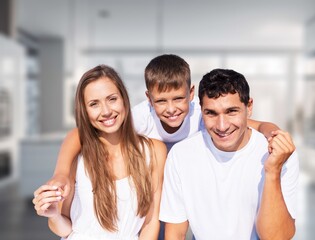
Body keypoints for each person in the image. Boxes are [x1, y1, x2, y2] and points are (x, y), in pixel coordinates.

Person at [39, 54, 280, 239]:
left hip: (170, 182)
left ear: (191, 95)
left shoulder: (200, 115)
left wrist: (272, 134)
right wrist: (60, 173)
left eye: (112, 99)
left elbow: (249, 123)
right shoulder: (142, 117)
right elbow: (82, 134)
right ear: (148, 100)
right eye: (94, 103)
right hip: (157, 180)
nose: (171, 108)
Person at [159, 68, 299, 240]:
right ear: (201, 111)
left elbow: (277, 237)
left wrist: (273, 171)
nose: (222, 126)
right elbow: (175, 233)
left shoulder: (279, 154)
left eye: (231, 111)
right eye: (211, 113)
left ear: (249, 107)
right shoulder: (181, 155)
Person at [32, 65, 167, 240]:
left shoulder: (154, 151)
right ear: (85, 111)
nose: (106, 111)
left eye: (112, 99)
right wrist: (53, 215)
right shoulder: (79, 153)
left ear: (124, 100)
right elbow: (65, 229)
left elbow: (151, 222)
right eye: (94, 104)